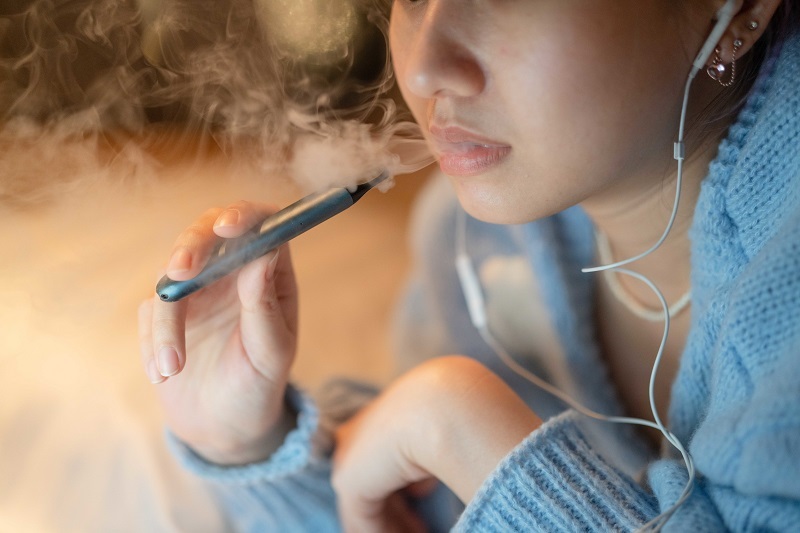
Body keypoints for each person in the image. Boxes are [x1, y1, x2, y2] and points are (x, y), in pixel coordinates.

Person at [138, 1, 800, 531]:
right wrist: (248, 442)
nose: (424, 69)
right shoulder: (476, 244)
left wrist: (460, 427)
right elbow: (405, 509)